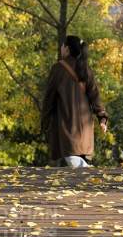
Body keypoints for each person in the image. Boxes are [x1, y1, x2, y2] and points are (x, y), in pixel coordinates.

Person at [41, 34, 108, 168]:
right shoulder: (85, 68)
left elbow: (49, 98)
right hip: (85, 126)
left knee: (74, 161)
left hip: (68, 123)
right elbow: (95, 95)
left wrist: (45, 122)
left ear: (67, 49)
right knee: (76, 164)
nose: (61, 48)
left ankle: (93, 176)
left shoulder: (58, 69)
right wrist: (102, 117)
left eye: (62, 45)